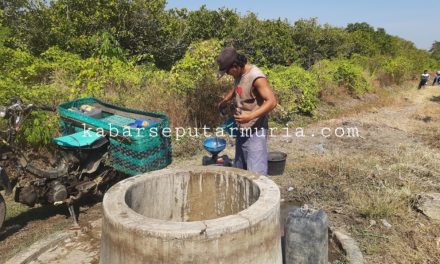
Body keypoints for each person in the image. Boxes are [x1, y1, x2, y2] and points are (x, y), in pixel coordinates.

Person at [216, 47, 277, 176]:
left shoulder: (256, 76)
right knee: (241, 165)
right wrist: (224, 101)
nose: (228, 74)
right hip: (242, 127)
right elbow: (236, 88)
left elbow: (272, 101)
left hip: (256, 129)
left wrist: (250, 116)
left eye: (228, 71)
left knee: (256, 171)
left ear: (235, 66)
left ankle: (259, 194)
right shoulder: (239, 74)